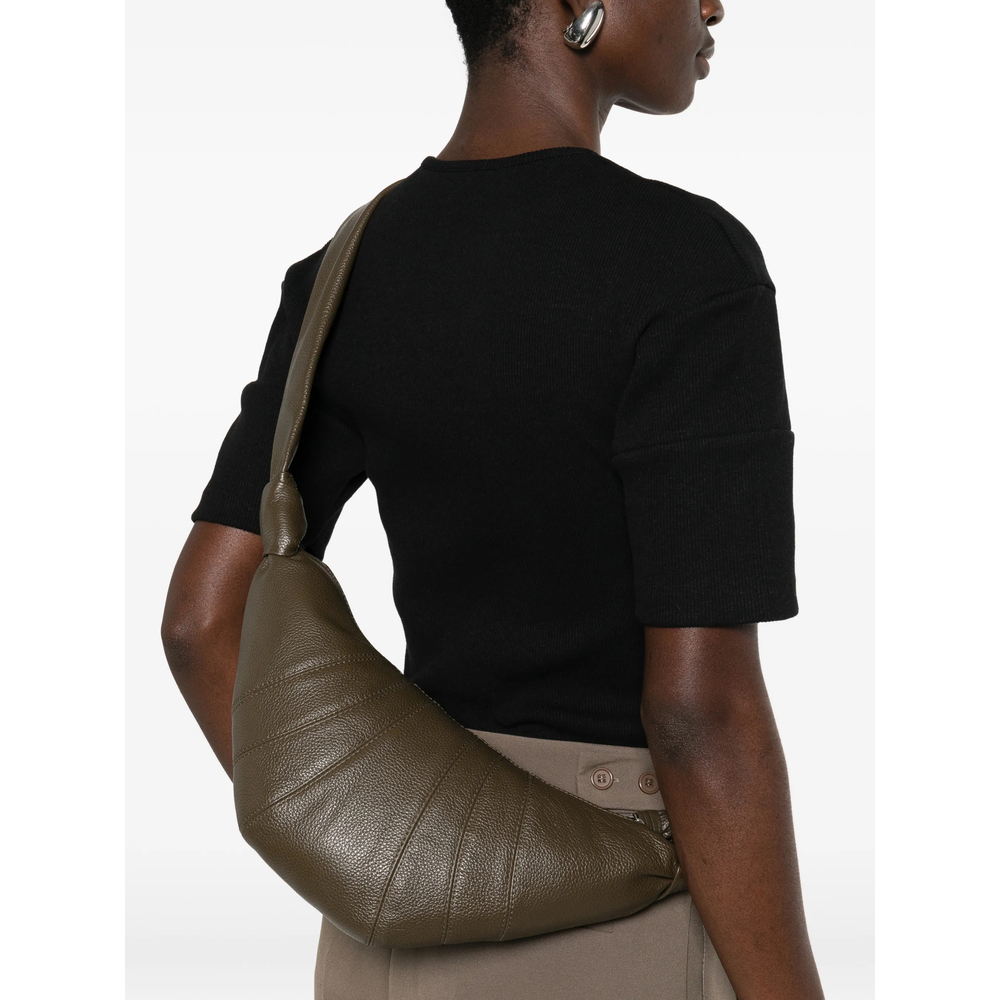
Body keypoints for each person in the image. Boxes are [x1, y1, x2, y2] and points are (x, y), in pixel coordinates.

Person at [161, 1, 826, 997]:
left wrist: (361, 829)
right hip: (618, 905)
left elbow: (201, 620)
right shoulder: (684, 265)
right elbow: (700, 713)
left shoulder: (348, 267)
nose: (713, 5)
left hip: (396, 919)